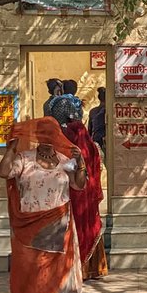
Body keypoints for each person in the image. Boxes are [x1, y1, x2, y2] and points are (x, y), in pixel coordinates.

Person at [0, 116, 88, 293]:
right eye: (43, 134)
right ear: (37, 136)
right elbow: (4, 173)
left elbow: (79, 185)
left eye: (51, 134)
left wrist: (80, 162)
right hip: (29, 225)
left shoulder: (65, 160)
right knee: (31, 269)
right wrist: (11, 149)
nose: (47, 139)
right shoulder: (24, 158)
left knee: (57, 270)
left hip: (59, 223)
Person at [50, 95, 108, 281]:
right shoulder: (79, 131)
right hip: (82, 185)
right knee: (85, 222)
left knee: (75, 225)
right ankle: (89, 268)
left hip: (72, 185)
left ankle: (75, 268)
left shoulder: (68, 133)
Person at [87, 87, 107, 157]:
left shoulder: (93, 111)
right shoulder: (109, 111)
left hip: (96, 141)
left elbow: (89, 129)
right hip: (106, 141)